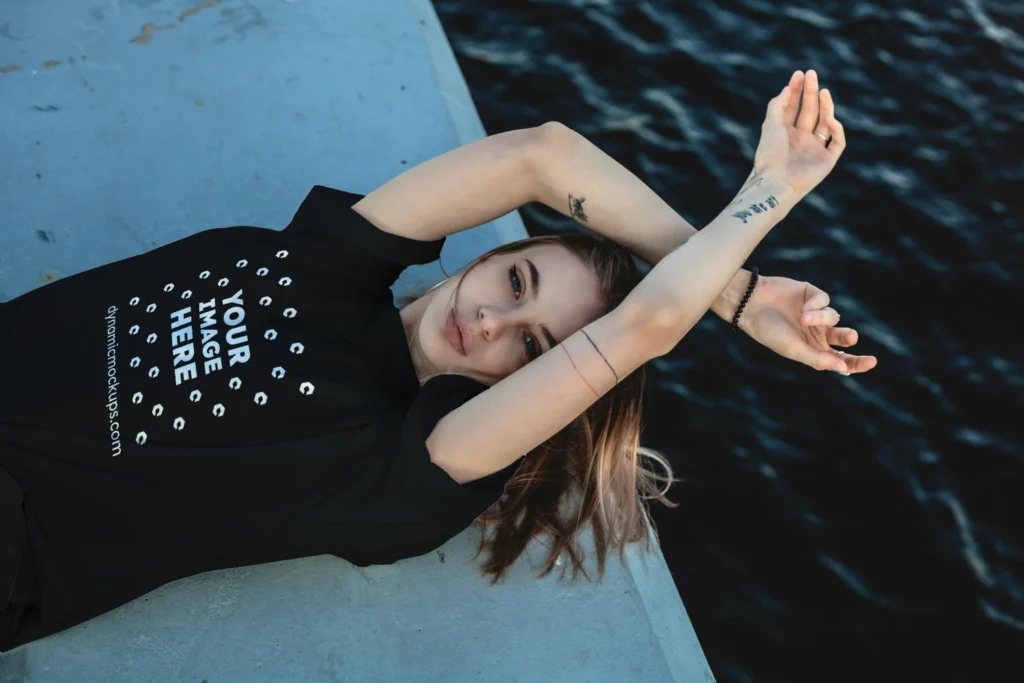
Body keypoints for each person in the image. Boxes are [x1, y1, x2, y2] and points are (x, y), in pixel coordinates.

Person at [0, 69, 875, 652]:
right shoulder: (335, 261)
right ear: (485, 258)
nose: (493, 320)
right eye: (517, 279)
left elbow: (646, 324)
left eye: (533, 348)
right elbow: (539, 155)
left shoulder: (400, 470)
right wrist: (742, 286)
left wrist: (771, 191)